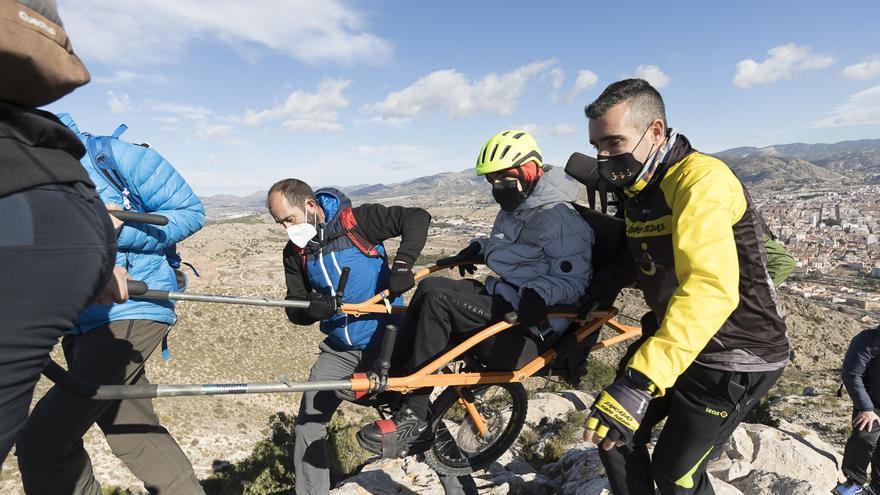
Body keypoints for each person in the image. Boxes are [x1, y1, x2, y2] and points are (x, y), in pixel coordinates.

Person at [580, 79, 789, 495]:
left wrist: (640, 382)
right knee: (612, 431)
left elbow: (710, 287)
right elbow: (637, 252)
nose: (604, 156)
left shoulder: (701, 180)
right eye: (596, 146)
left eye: (613, 141)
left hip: (736, 352)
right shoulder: (641, 186)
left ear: (655, 131)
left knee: (675, 472)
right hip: (678, 340)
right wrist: (596, 293)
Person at [357, 129, 594, 453]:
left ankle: (414, 417)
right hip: (506, 301)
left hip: (530, 330)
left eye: (502, 178)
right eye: (492, 180)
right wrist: (477, 249)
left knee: (440, 301)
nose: (497, 187)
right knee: (430, 287)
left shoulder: (560, 219)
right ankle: (393, 384)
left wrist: (540, 293)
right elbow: (517, 250)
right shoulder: (520, 207)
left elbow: (575, 279)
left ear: (527, 171)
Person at [15, 114, 206, 494]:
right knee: (131, 433)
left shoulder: (111, 156)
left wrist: (119, 227)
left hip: (130, 309)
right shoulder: (25, 179)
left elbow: (191, 212)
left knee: (43, 444)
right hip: (79, 326)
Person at [0, 0, 129, 469]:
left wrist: (111, 251)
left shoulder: (121, 155)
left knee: (44, 443)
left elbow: (187, 213)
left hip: (104, 286)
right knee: (123, 433)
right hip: (77, 237)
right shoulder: (67, 161)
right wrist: (95, 263)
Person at [267, 179, 431, 495]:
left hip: (384, 341)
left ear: (310, 206)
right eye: (280, 223)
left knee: (414, 415)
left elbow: (417, 218)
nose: (287, 229)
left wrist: (403, 265)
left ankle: (459, 482)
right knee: (308, 424)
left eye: (289, 219)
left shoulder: (356, 221)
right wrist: (313, 310)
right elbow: (295, 309)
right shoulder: (295, 252)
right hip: (339, 350)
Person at [834, 325, 880, 495]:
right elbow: (851, 374)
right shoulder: (868, 339)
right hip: (871, 403)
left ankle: (877, 488)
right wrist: (866, 408)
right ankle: (853, 481)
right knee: (865, 435)